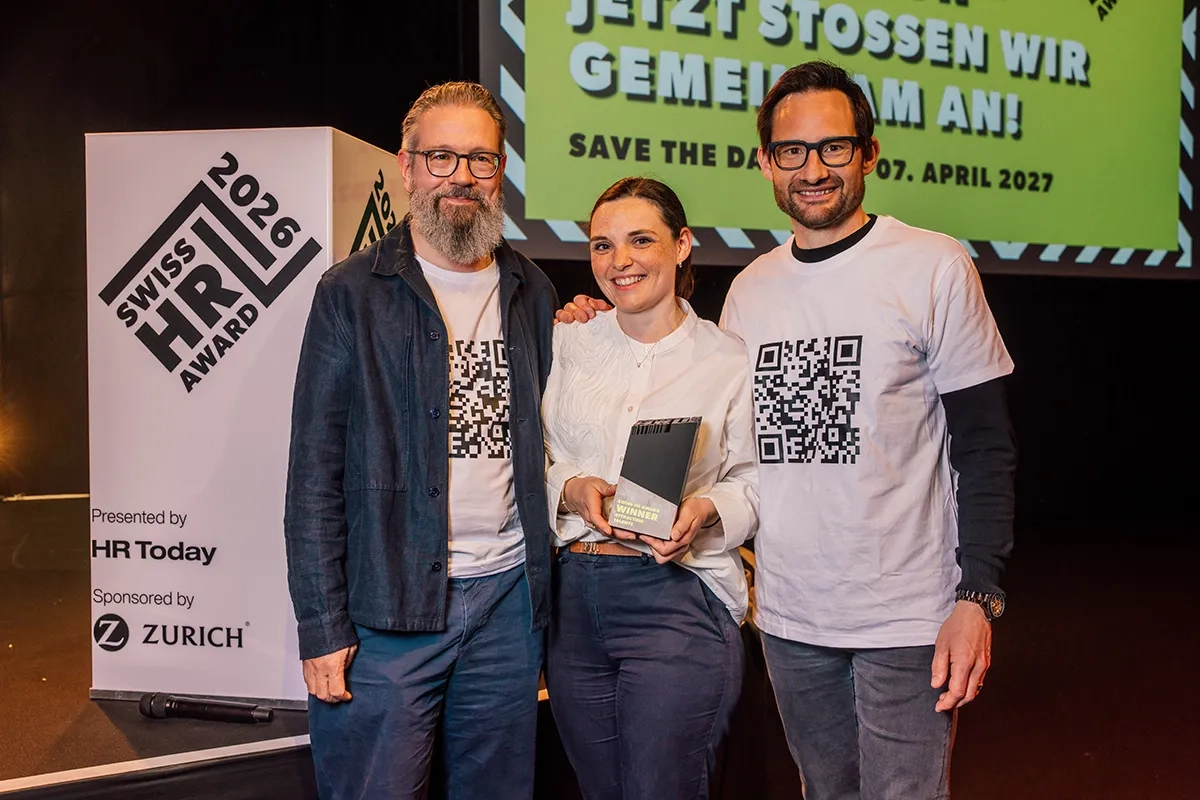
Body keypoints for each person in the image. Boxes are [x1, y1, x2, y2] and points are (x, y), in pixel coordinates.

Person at [559, 61, 1017, 800]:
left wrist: (978, 599)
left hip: (906, 618)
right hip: (789, 616)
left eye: (834, 147)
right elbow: (729, 451)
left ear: (868, 153)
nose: (813, 169)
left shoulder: (933, 265)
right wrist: (591, 322)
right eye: (792, 151)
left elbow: (986, 448)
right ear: (766, 162)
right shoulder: (750, 292)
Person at [284, 81, 558, 799]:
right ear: (406, 168)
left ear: (501, 173)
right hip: (385, 617)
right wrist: (321, 625)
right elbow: (314, 472)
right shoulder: (350, 293)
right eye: (440, 157)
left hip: (507, 608)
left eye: (481, 160)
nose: (461, 177)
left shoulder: (534, 291)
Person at [542, 177, 758, 799]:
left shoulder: (728, 359)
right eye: (602, 245)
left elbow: (758, 480)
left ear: (683, 244)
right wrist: (572, 486)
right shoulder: (563, 344)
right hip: (572, 602)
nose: (620, 261)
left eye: (641, 240)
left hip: (677, 600)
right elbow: (528, 457)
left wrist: (707, 508)